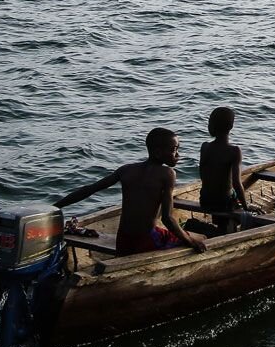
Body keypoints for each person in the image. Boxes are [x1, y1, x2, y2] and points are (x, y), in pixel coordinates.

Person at [55, 127, 207, 255]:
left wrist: (56, 206)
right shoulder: (167, 174)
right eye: (174, 150)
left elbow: (89, 189)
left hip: (123, 241)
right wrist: (192, 243)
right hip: (146, 240)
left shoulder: (126, 170)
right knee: (202, 237)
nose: (178, 155)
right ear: (158, 153)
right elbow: (167, 218)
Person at [195, 106, 249, 235]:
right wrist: (246, 207)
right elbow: (236, 183)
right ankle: (229, 230)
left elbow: (203, 175)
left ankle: (221, 227)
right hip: (223, 203)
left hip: (205, 200)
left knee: (228, 196)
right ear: (231, 127)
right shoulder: (234, 151)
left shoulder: (205, 147)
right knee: (234, 197)